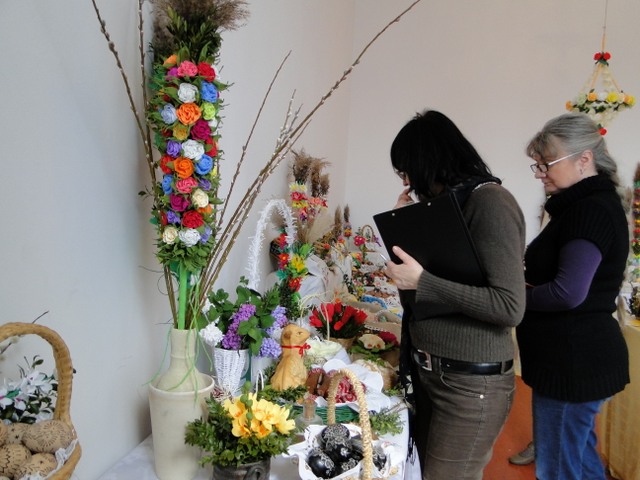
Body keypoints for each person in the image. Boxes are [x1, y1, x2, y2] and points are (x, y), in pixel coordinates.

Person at [384, 109, 526, 480]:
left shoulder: (490, 202)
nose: (408, 182)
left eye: (407, 171)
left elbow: (509, 306)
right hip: (433, 373)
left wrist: (423, 281)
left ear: (428, 162)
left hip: (470, 385)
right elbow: (421, 301)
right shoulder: (447, 210)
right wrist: (405, 231)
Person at [516, 112, 630, 480]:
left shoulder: (590, 210)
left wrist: (514, 298)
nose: (541, 174)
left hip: (573, 363)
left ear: (584, 159)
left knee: (558, 469)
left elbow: (568, 293)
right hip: (574, 358)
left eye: (548, 164)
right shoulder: (586, 205)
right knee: (579, 461)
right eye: (537, 165)